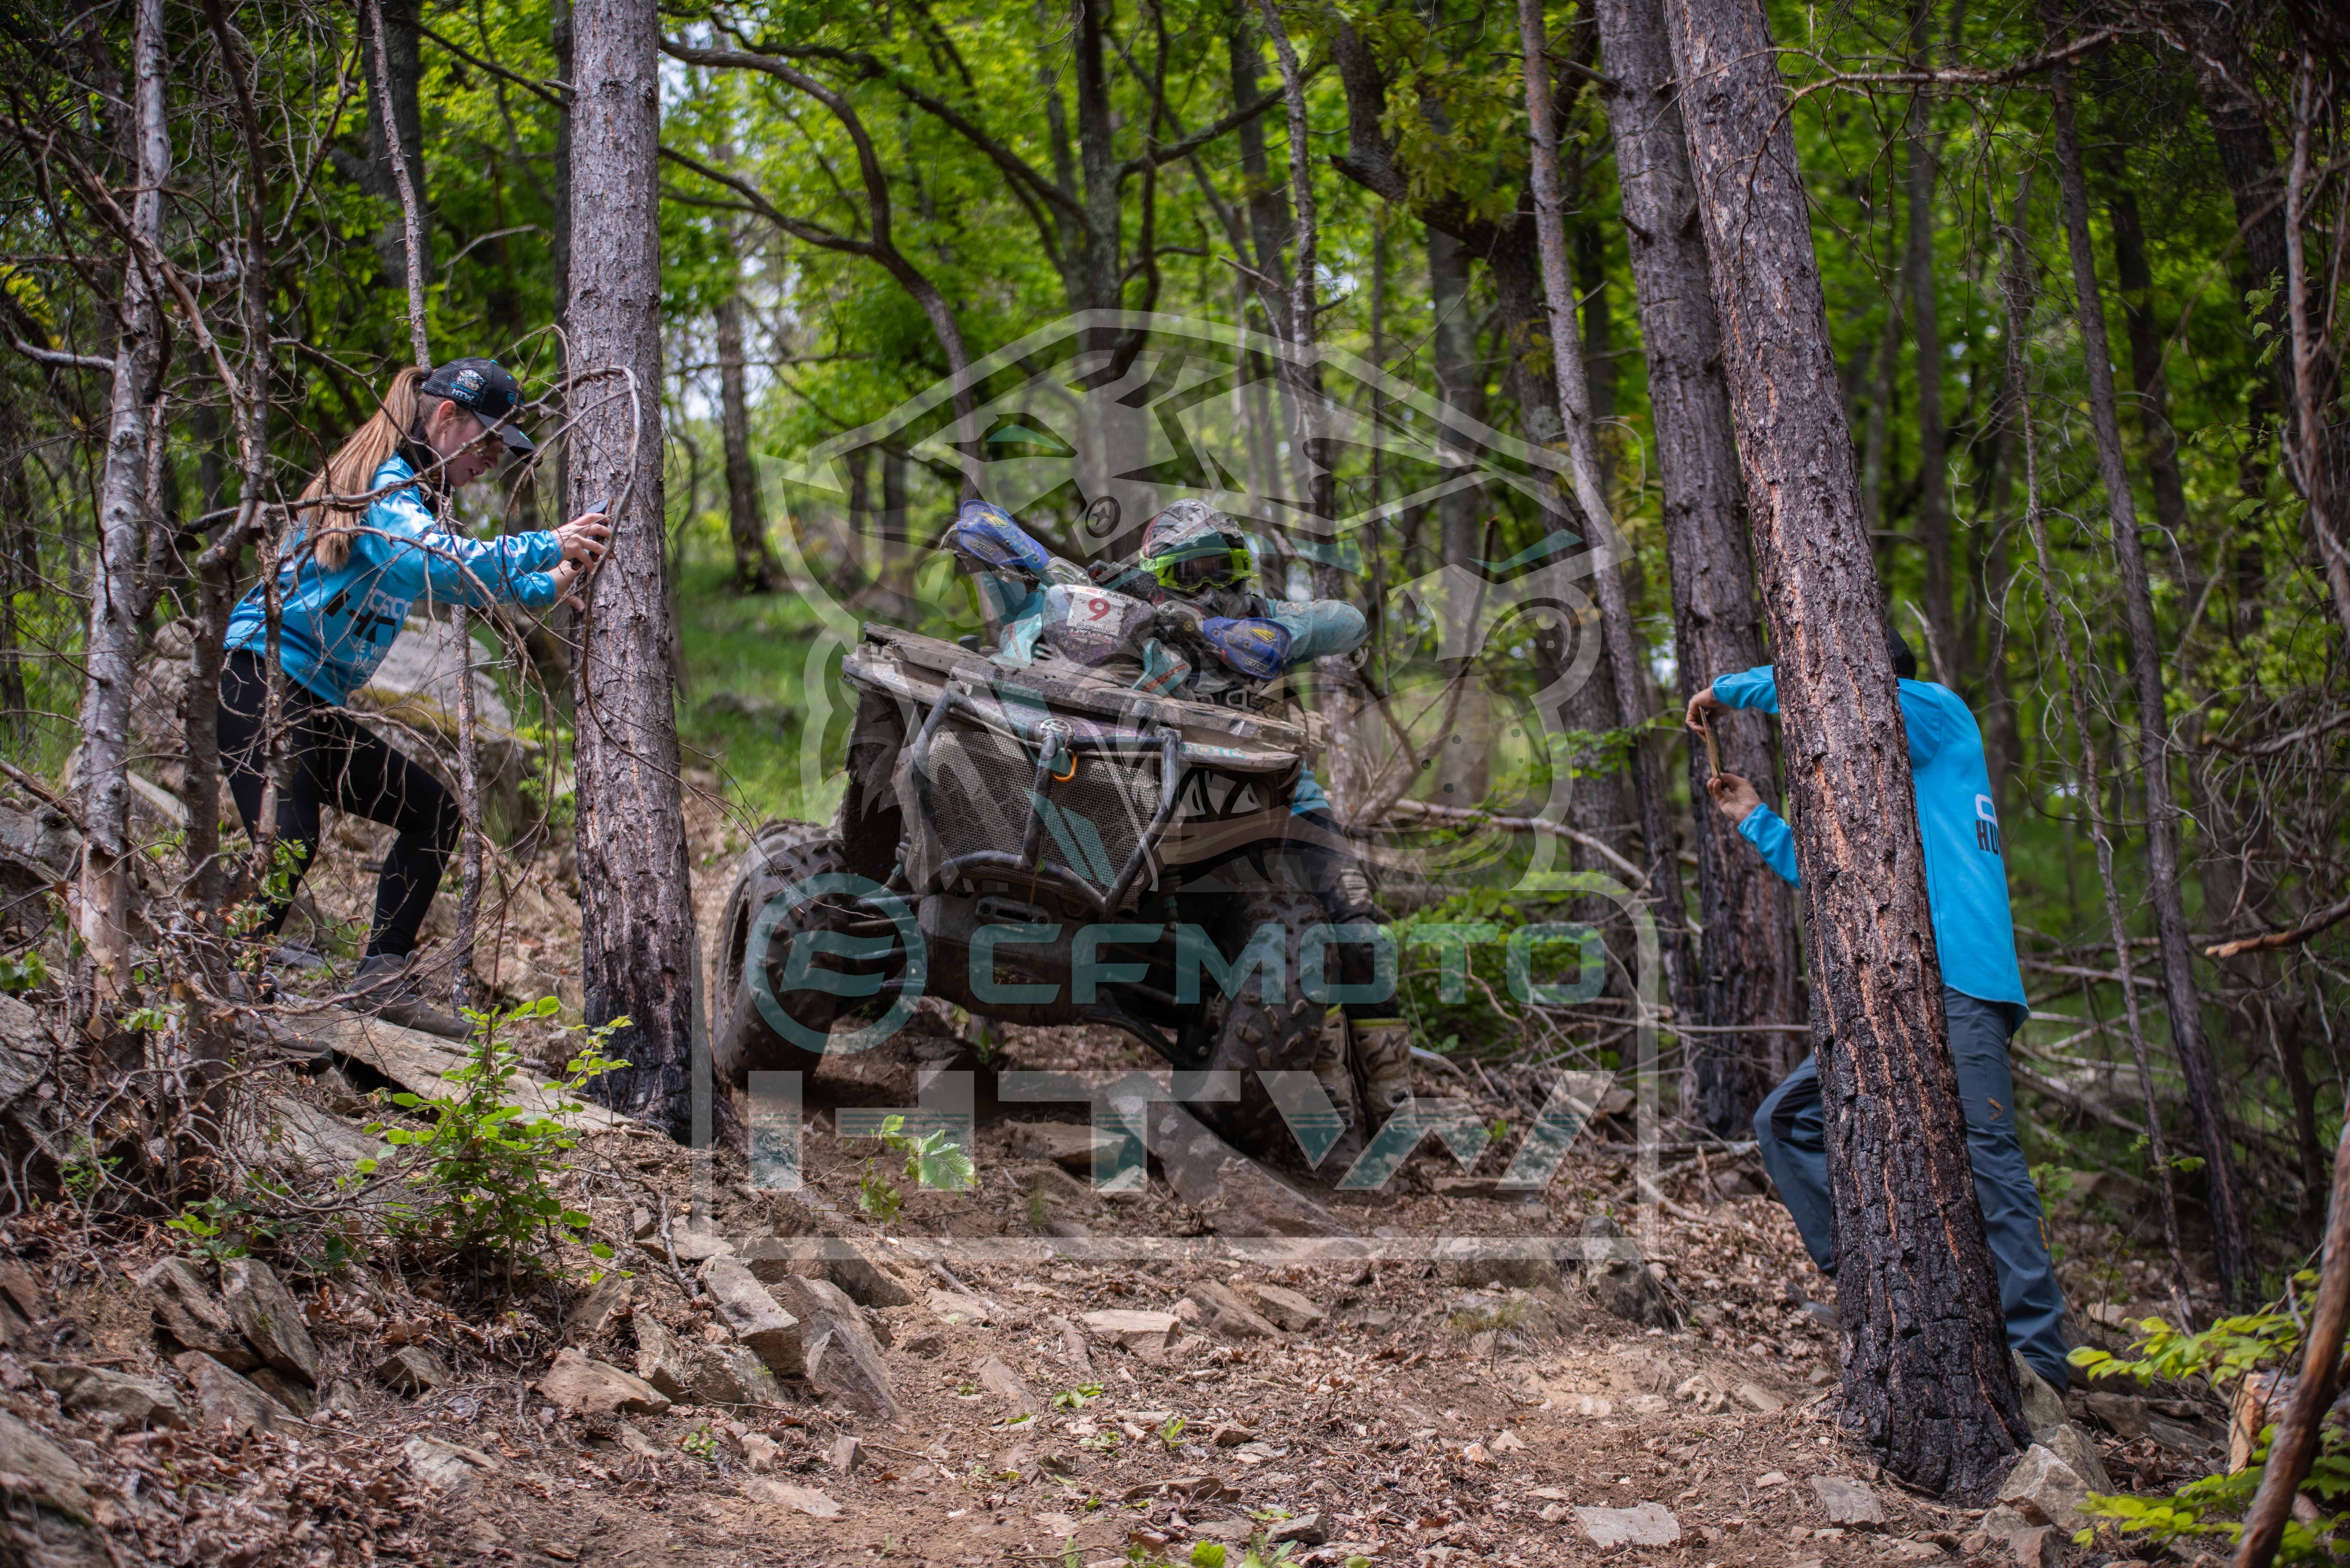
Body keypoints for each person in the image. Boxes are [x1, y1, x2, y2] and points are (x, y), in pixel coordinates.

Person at [1685, 624, 2073, 1391]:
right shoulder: (1880, 787)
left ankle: (2040, 1358)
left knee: (1987, 1157)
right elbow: (1832, 877)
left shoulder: (1936, 715)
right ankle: (1876, 1287)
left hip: (1962, 982)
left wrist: (1728, 688)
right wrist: (1755, 816)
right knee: (1784, 1120)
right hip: (1890, 991)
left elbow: (1840, 694)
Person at [219, 359, 609, 1037]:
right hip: (261, 679)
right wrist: (548, 542)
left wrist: (553, 580)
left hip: (312, 700)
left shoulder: (416, 501)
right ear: (446, 417)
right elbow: (427, 561)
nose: (494, 458)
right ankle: (226, 984)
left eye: (504, 447)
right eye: (489, 439)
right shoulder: (388, 484)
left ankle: (380, 981)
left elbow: (459, 579)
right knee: (290, 836)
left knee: (432, 812)